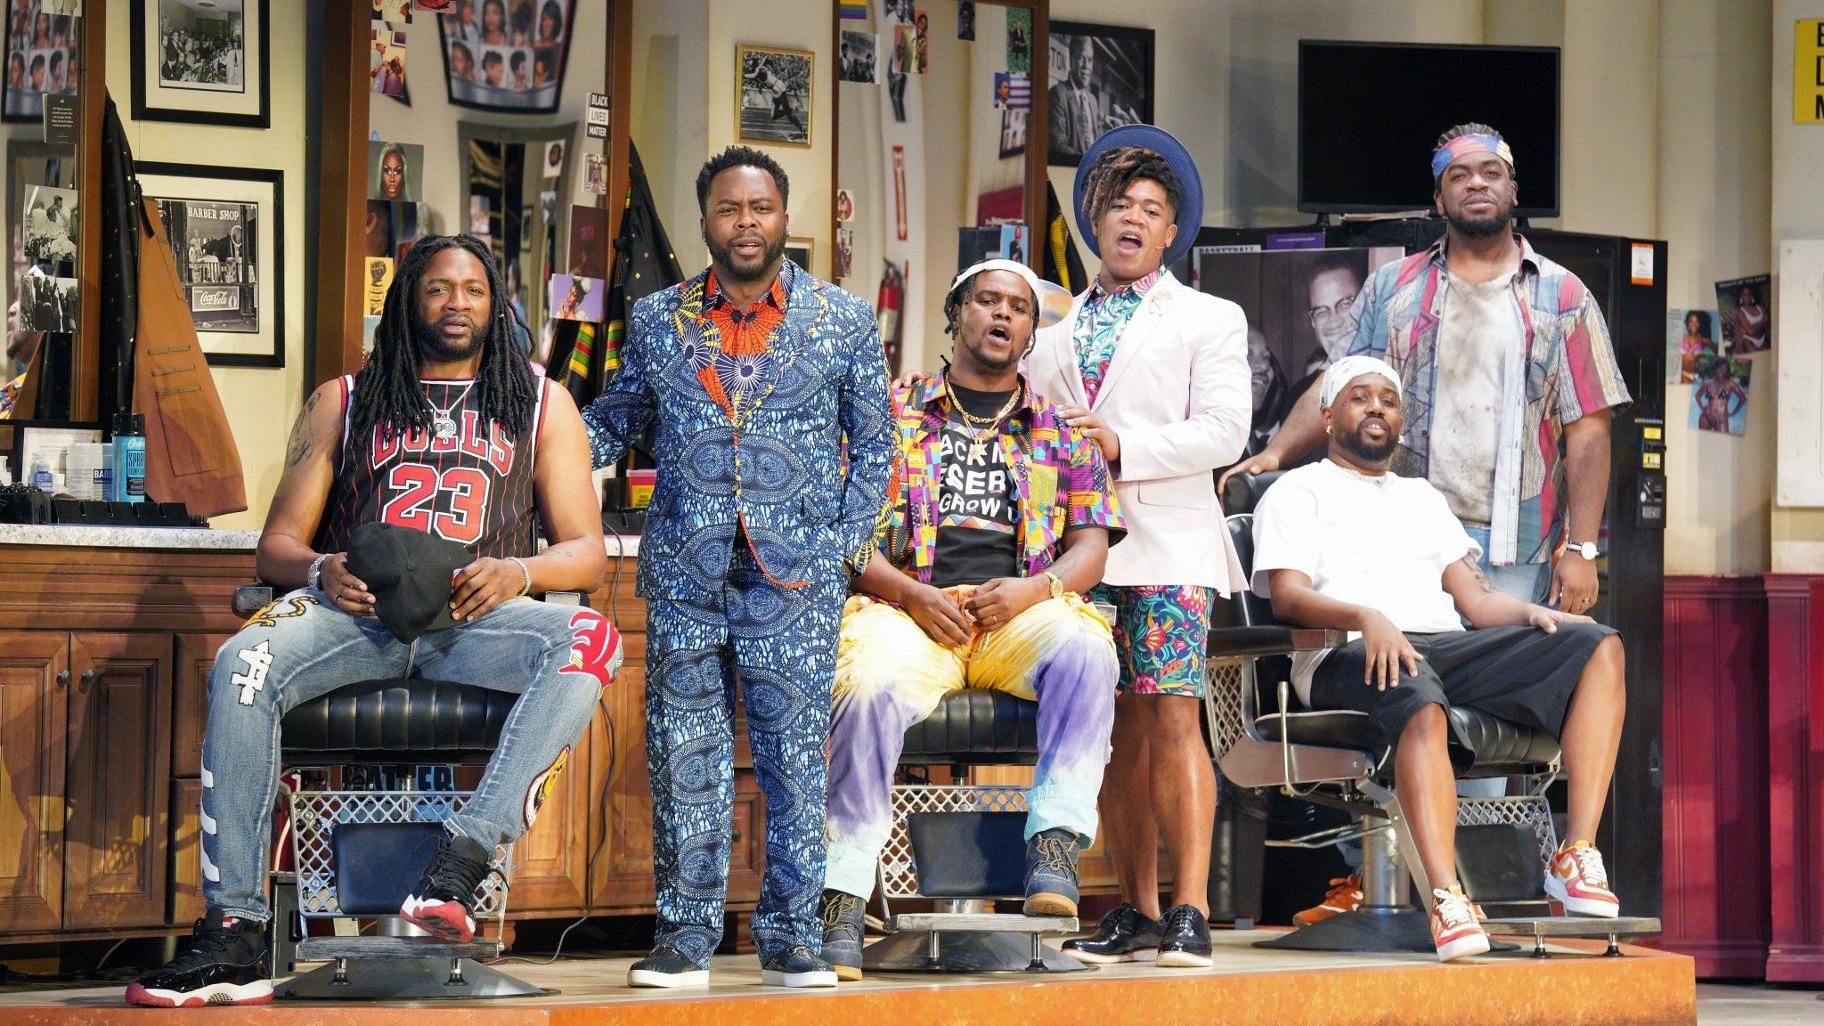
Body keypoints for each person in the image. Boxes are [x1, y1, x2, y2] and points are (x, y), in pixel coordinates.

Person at [123, 234, 622, 1007]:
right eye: (437, 288)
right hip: (356, 620)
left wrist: (519, 571)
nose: (457, 303)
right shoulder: (344, 399)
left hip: (471, 624)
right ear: (406, 302)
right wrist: (322, 567)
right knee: (241, 664)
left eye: (474, 289)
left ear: (496, 304)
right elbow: (277, 546)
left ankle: (460, 862)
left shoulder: (540, 400)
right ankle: (234, 933)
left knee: (592, 637)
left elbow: (587, 553)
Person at [582, 146, 895, 990]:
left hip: (798, 575)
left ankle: (791, 936)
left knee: (795, 759)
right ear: (705, 221)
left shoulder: (844, 319)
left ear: (784, 217)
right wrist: (534, 450)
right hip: (685, 569)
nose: (745, 222)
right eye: (729, 209)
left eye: (760, 208)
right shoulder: (654, 318)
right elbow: (615, 419)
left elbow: (877, 450)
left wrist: (840, 553)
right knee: (684, 755)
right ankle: (684, 937)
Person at [1251, 356, 1628, 962]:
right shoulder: (1297, 490)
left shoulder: (1421, 496)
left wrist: (1534, 615)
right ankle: (1448, 899)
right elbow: (1290, 597)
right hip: (1341, 652)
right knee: (1418, 693)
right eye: (1359, 397)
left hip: (1440, 644)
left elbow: (1475, 600)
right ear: (1327, 414)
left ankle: (1576, 852)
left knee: (1596, 646)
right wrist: (1367, 616)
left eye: (1388, 400)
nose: (1376, 407)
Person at [818, 260, 1122, 981]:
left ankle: (1052, 849)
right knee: (862, 682)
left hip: (1016, 615)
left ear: (1030, 331)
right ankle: (842, 893)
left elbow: (1092, 549)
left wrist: (1032, 591)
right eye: (987, 301)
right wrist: (910, 594)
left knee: (1089, 649)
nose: (1003, 316)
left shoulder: (1060, 431)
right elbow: (839, 532)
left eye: (1018, 307)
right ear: (955, 314)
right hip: (910, 609)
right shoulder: (889, 413)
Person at [1223, 123, 1630, 612]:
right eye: (1459, 176)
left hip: (1515, 551)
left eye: (1491, 173)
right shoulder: (1392, 288)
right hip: (1402, 534)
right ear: (1439, 199)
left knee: (1497, 684)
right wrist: (1278, 453)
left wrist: (1584, 550)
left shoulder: (1565, 297)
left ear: (1513, 190)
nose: (1476, 184)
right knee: (1412, 674)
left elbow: (1589, 431)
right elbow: (1337, 384)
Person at [1029, 126, 1251, 967]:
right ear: (1095, 221)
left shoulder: (1206, 316)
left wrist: (1122, 445)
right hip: (1080, 552)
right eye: (1118, 206)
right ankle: (1135, 906)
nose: (1131, 221)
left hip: (1167, 540)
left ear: (1171, 234)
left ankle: (1191, 908)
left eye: (1150, 211)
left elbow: (1227, 430)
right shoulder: (1053, 330)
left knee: (1172, 716)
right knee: (1110, 728)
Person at [1694, 356, 1746, 432]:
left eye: (1723, 368)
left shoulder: (1730, 383)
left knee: (1723, 442)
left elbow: (1743, 398)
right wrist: (1702, 408)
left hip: (1721, 420)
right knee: (1703, 441)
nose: (1721, 370)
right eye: (1719, 367)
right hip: (1706, 418)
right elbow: (1697, 395)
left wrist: (1733, 413)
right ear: (1715, 368)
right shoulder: (1709, 383)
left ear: (1727, 370)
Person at [1730, 284, 1768, 353]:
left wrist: (1754, 327)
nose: (1747, 296)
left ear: (1752, 295)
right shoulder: (1739, 311)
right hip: (1748, 339)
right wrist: (1763, 321)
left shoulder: (1760, 307)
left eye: (1749, 294)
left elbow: (1769, 323)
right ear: (1740, 296)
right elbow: (1750, 331)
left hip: (1762, 338)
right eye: (1744, 294)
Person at [1678, 309, 1713, 382]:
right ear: (1687, 323)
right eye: (1691, 321)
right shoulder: (1681, 338)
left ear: (1700, 324)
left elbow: (1718, 353)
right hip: (1683, 374)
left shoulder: (1704, 340)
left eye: (1697, 321)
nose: (1694, 324)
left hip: (1697, 376)